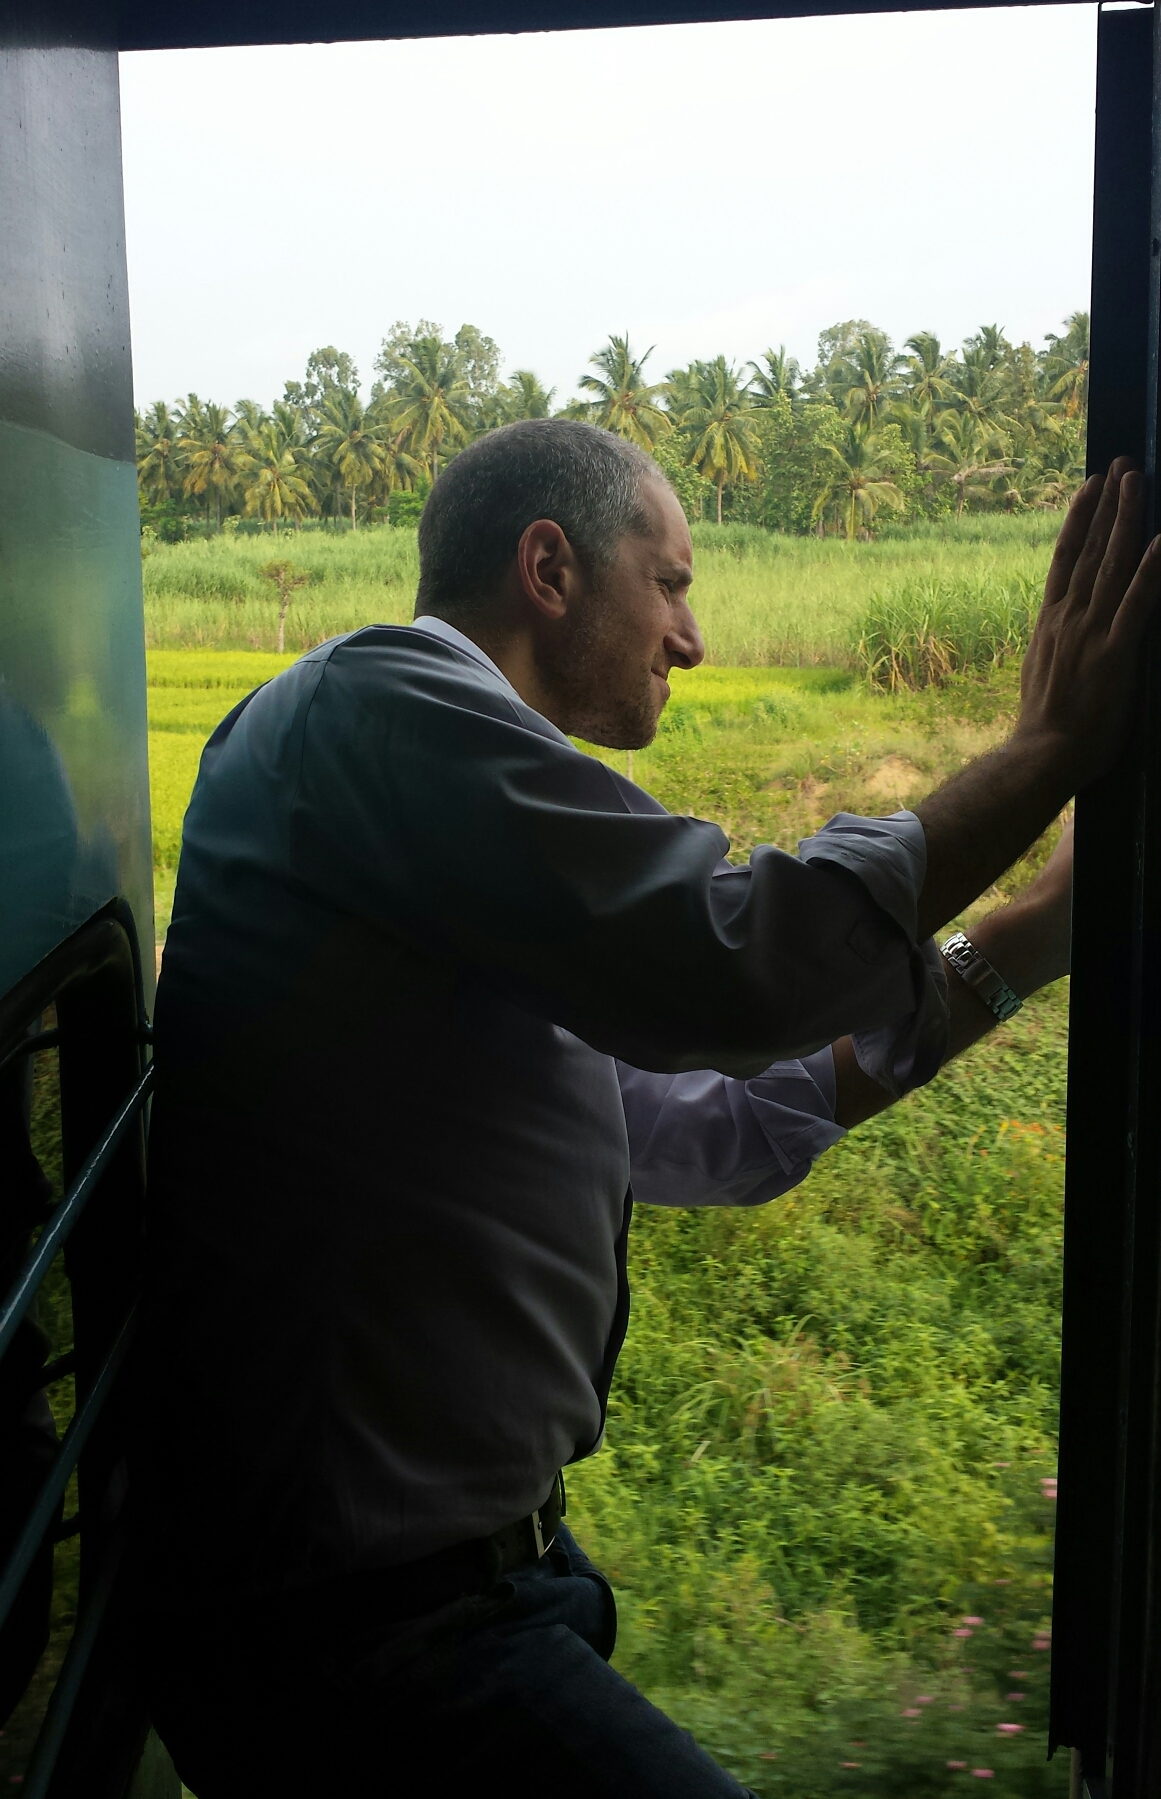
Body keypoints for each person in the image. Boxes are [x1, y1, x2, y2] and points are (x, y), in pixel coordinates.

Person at [137, 422, 1160, 1797]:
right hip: (358, 1629)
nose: (689, 641)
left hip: (457, 1591)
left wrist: (1033, 931)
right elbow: (734, 967)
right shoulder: (376, 708)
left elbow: (709, 1124)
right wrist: (1042, 751)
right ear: (548, 567)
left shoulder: (441, 850)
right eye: (669, 583)